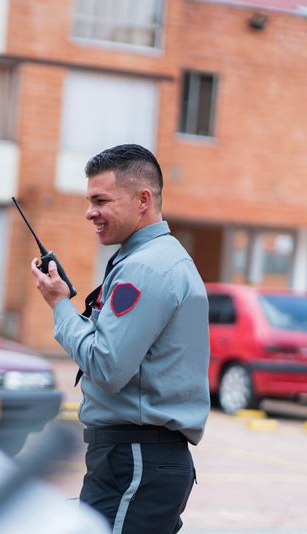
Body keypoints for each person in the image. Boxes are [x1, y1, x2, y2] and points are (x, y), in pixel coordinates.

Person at [29, 144, 210, 533]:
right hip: (136, 459)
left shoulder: (146, 269)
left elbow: (108, 366)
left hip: (135, 458)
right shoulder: (158, 259)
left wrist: (60, 306)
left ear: (142, 199)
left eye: (101, 200)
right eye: (88, 200)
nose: (89, 212)